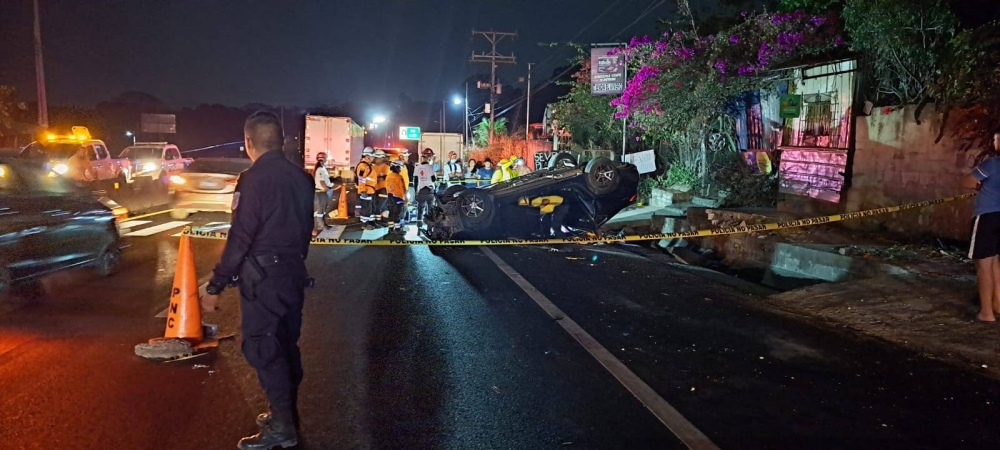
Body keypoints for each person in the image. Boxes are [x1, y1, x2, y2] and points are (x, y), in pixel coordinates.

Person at [202, 111, 314, 450]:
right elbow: (306, 230)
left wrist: (216, 284)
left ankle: (283, 428)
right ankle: (285, 416)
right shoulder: (303, 179)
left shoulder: (252, 179)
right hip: (293, 273)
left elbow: (241, 236)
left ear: (249, 143)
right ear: (281, 142)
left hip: (263, 279)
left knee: (263, 348)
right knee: (286, 345)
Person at [965, 130, 1000, 322]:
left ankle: (986, 312)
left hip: (987, 217)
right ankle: (998, 303)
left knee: (984, 265)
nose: (994, 143)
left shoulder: (992, 164)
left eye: (995, 140)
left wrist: (980, 186)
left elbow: (968, 182)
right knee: (995, 261)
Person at [312, 152, 334, 236]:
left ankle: (323, 225)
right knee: (320, 210)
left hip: (322, 191)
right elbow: (322, 182)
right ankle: (318, 227)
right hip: (321, 192)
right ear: (324, 159)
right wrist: (327, 190)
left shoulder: (322, 167)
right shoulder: (320, 169)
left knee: (322, 210)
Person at [414, 148, 437, 225]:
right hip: (429, 190)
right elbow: (433, 179)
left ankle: (419, 223)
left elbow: (415, 180)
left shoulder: (417, 167)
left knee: (420, 208)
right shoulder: (430, 167)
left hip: (420, 191)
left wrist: (415, 191)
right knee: (430, 208)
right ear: (428, 158)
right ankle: (429, 224)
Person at [355, 147, 376, 228]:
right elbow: (361, 179)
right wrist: (362, 191)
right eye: (372, 156)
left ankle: (370, 222)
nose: (373, 158)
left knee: (370, 208)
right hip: (366, 191)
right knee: (366, 208)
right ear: (367, 156)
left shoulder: (368, 165)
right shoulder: (363, 166)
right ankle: (364, 224)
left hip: (370, 190)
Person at [386, 161, 407, 234]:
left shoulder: (388, 176)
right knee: (397, 213)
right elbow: (403, 188)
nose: (400, 169)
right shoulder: (399, 177)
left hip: (390, 196)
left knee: (391, 213)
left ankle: (390, 229)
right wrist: (405, 199)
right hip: (398, 197)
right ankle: (398, 229)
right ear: (397, 167)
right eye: (400, 168)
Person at [372, 149, 390, 227]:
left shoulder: (386, 167)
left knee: (381, 206)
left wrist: (378, 177)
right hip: (375, 189)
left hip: (383, 189)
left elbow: (385, 177)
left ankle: (381, 221)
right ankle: (379, 221)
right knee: (377, 206)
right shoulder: (372, 166)